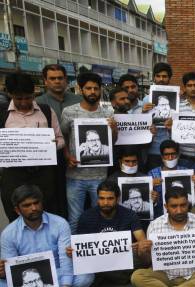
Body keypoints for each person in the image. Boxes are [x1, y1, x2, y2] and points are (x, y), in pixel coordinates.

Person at [0, 185, 94, 287]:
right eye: (27, 205)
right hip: (29, 280)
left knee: (86, 276)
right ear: (18, 210)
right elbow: (12, 269)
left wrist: (66, 285)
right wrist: (3, 272)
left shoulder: (60, 223)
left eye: (36, 203)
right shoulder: (8, 234)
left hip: (58, 271)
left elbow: (65, 259)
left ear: (41, 203)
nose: (33, 208)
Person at [0, 72, 64, 221]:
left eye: (28, 97)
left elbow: (61, 139)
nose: (24, 102)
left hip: (43, 174)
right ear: (9, 94)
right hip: (13, 175)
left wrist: (53, 145)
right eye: (18, 98)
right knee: (15, 213)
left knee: (47, 213)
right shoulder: (2, 113)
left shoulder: (46, 111)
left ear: (34, 91)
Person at [61, 72, 117, 233]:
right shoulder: (68, 112)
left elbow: (112, 142)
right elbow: (63, 137)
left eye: (96, 88)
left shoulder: (108, 113)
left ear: (100, 90)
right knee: (75, 219)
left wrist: (114, 130)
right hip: (74, 176)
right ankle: (76, 255)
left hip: (99, 176)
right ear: (80, 89)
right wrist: (67, 156)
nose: (92, 92)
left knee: (101, 217)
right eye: (88, 88)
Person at [69, 180, 147, 284]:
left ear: (117, 199)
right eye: (102, 198)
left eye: (110, 199)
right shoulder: (86, 216)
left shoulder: (129, 214)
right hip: (99, 259)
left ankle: (104, 276)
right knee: (80, 263)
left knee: (145, 255)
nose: (105, 202)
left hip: (122, 258)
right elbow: (82, 249)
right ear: (97, 199)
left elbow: (142, 240)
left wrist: (140, 245)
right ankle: (120, 276)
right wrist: (73, 251)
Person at [36, 64, 81, 219]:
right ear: (45, 81)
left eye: (60, 78)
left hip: (78, 159)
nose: (57, 81)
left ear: (66, 80)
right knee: (54, 197)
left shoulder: (79, 101)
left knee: (76, 199)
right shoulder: (37, 103)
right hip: (50, 161)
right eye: (52, 78)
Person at [148, 140, 190, 218]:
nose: (170, 158)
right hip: (160, 213)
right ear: (161, 157)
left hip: (182, 212)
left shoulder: (186, 172)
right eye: (166, 155)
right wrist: (149, 185)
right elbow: (150, 200)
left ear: (178, 155)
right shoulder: (152, 174)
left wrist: (194, 183)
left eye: (173, 154)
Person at [143, 62, 173, 170]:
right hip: (153, 150)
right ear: (154, 77)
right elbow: (140, 126)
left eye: (164, 76)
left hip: (172, 149)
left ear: (169, 78)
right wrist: (143, 113)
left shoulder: (178, 100)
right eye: (158, 76)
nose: (161, 79)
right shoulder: (147, 100)